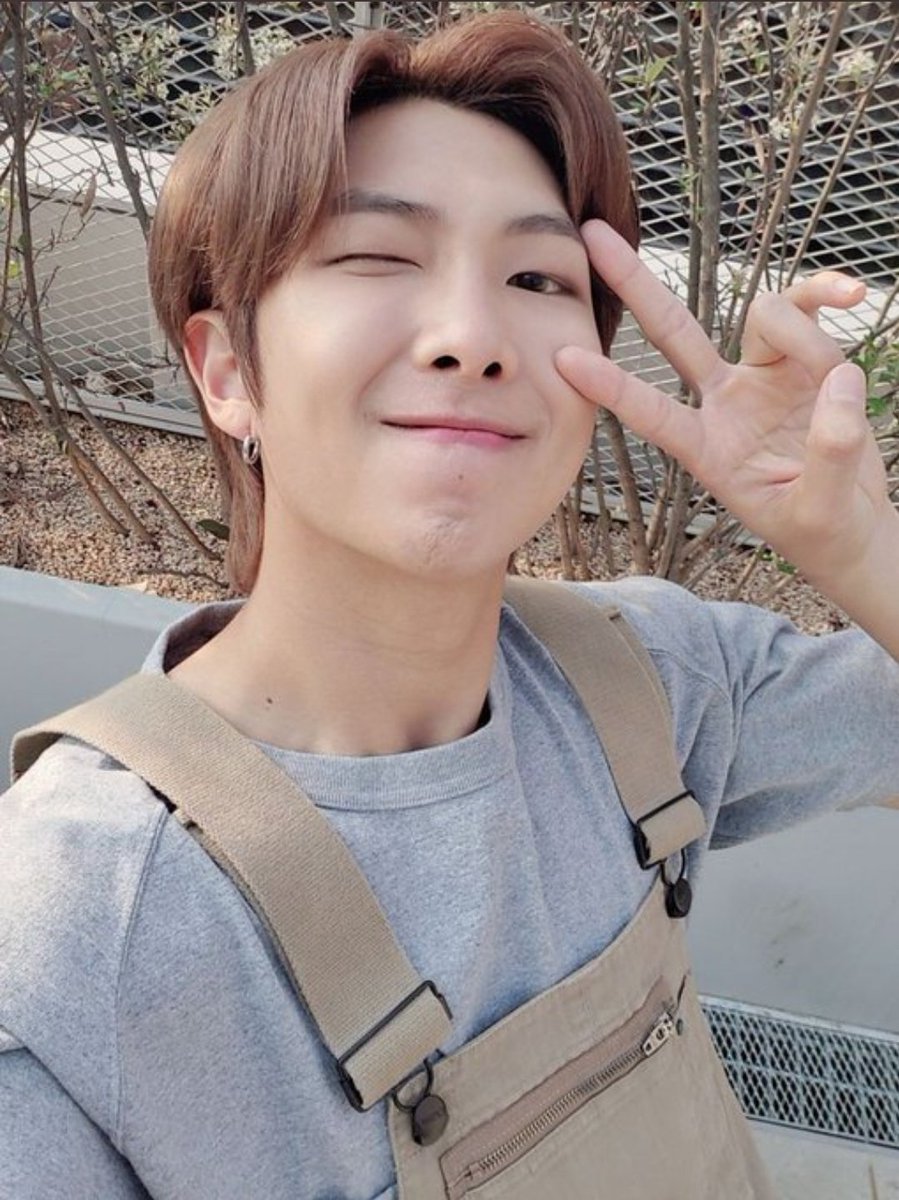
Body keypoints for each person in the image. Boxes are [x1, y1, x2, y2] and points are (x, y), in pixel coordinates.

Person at [1, 11, 897, 1199]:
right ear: (225, 370)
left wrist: (862, 555)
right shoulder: (80, 921)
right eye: (376, 257)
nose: (472, 339)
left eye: (535, 279)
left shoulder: (646, 677)